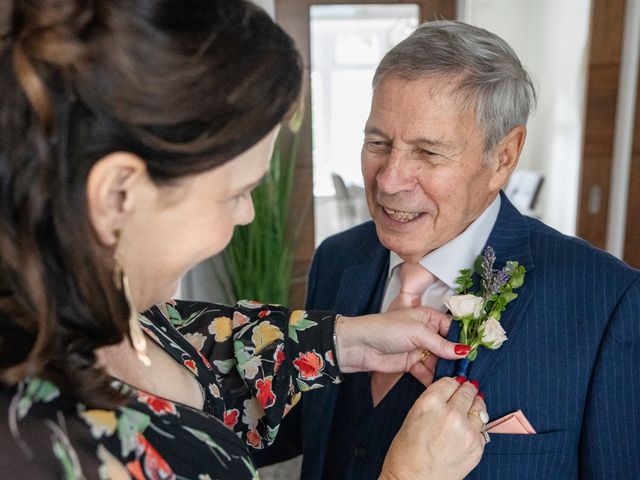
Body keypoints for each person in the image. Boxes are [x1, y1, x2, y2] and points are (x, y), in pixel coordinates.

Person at [0, 2, 490, 479]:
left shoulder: (99, 301)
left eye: (428, 150)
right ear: (118, 194)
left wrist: (343, 340)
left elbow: (199, 351)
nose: (249, 213)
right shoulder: (31, 445)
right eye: (236, 193)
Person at [254, 20, 640, 479]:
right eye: (377, 142)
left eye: (428, 152)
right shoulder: (338, 259)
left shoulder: (604, 300)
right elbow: (306, 427)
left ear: (503, 157)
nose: (389, 180)